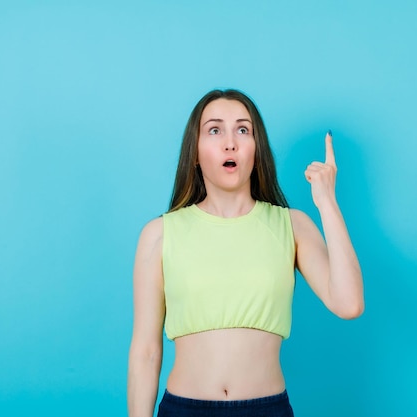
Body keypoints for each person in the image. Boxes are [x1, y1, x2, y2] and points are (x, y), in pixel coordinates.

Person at [127, 89, 364, 416]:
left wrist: (327, 203)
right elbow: (146, 351)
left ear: (257, 150)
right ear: (194, 153)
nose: (230, 143)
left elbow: (349, 303)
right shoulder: (160, 234)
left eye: (242, 130)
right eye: (214, 130)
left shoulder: (291, 225)